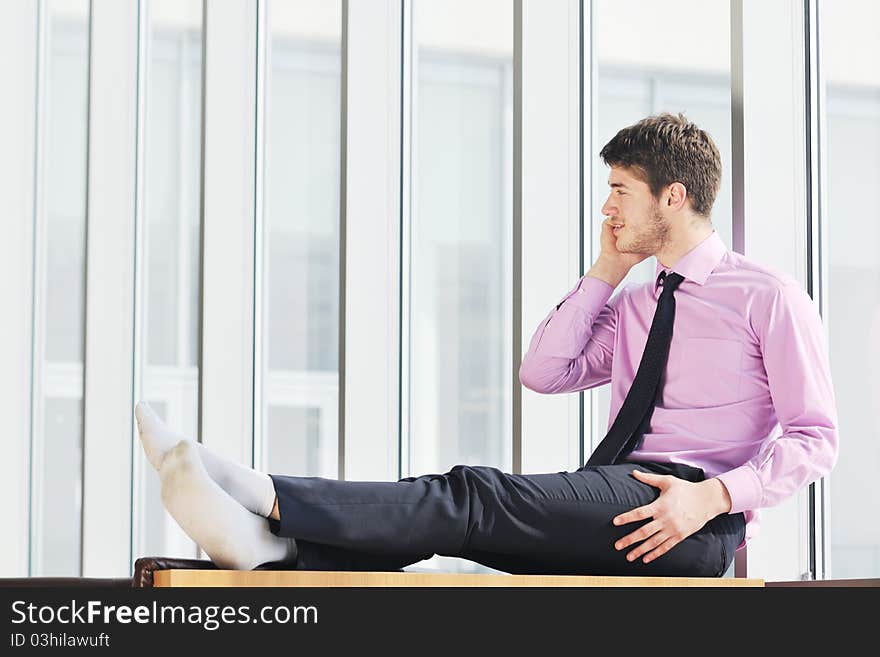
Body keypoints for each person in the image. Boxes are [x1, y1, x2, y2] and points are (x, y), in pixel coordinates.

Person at [135, 112, 838, 577]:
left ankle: (267, 495)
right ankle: (283, 549)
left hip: (689, 516)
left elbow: (815, 438)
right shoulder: (637, 303)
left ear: (673, 197)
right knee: (466, 522)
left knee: (472, 495)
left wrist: (714, 496)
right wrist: (608, 271)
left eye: (622, 191)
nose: (607, 207)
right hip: (622, 496)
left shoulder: (766, 296)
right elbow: (545, 370)